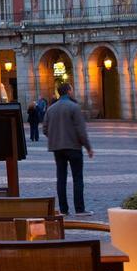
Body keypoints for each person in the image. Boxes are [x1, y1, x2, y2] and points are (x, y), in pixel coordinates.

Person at [42, 83, 94, 216]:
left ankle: (63, 210)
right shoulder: (74, 107)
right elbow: (81, 130)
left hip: (57, 148)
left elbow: (45, 129)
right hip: (73, 147)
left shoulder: (51, 109)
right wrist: (88, 147)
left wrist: (56, 137)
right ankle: (79, 209)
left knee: (61, 178)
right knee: (77, 178)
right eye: (72, 89)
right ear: (68, 91)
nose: (73, 91)